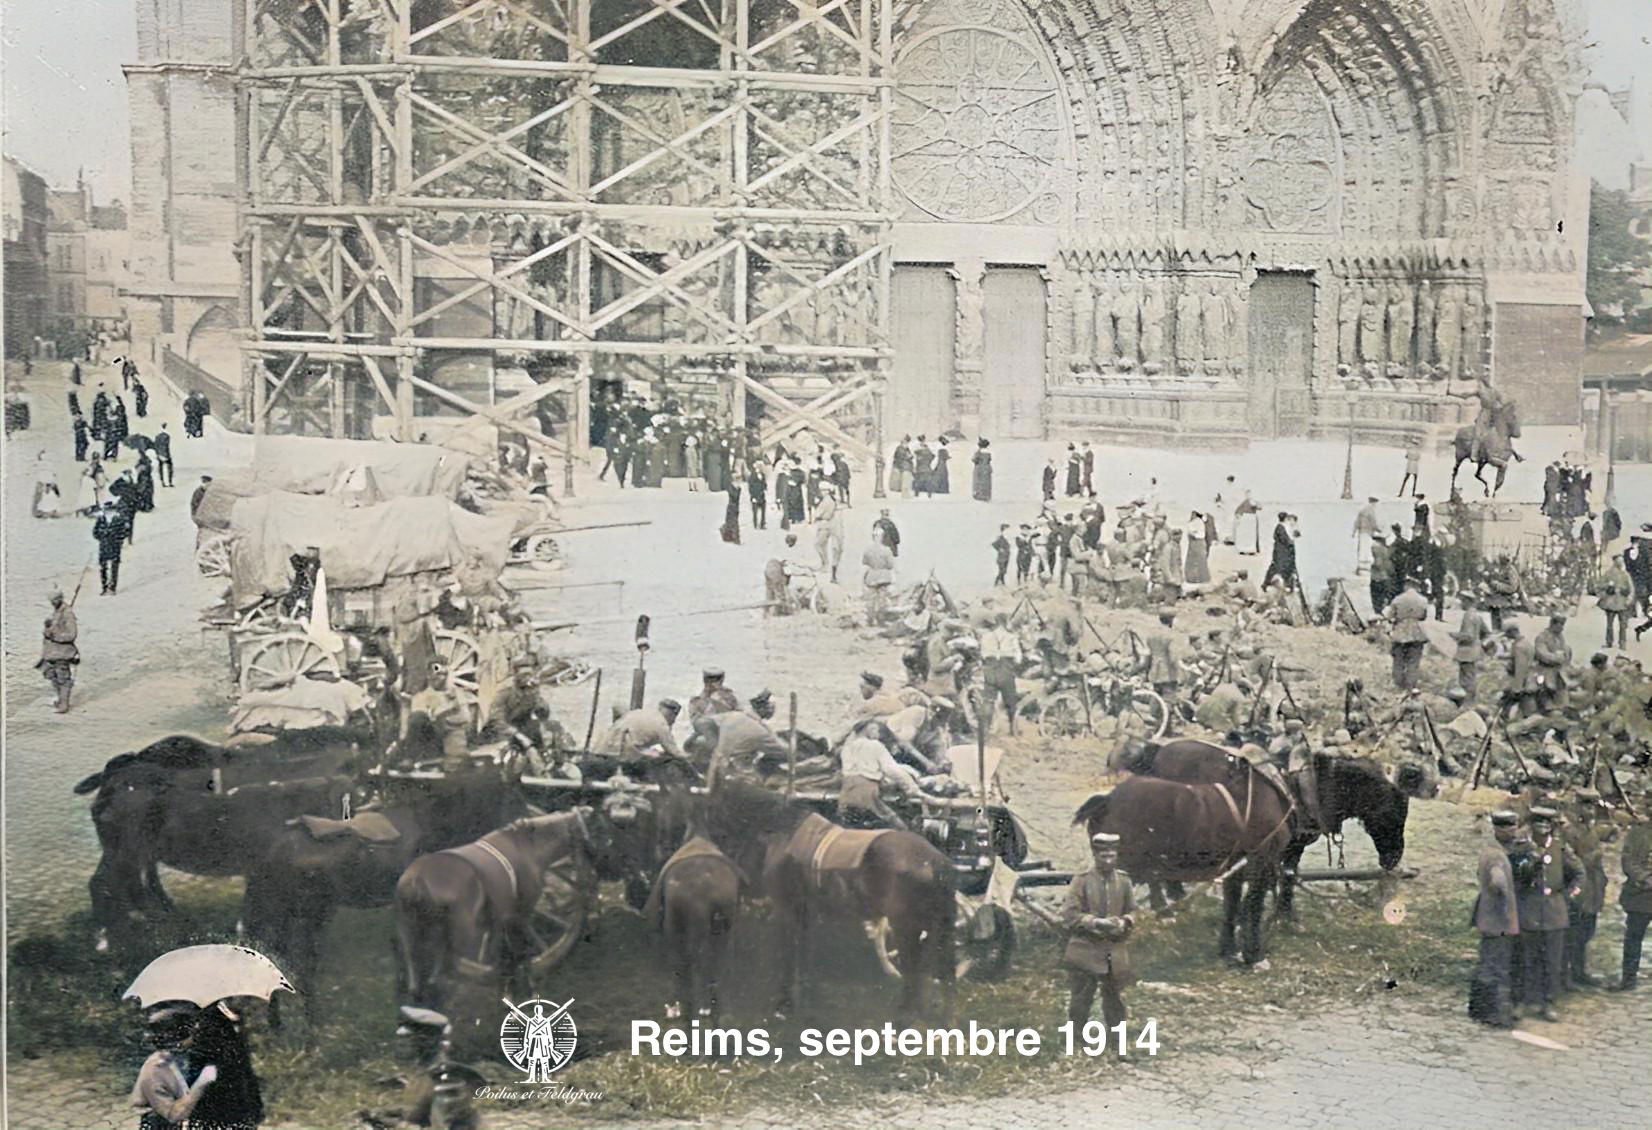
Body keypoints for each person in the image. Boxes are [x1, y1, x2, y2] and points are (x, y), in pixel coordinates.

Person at [1061, 832, 1137, 1032]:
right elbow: (1069, 914)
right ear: (1095, 856)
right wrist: (1096, 922)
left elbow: (1133, 910)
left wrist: (1124, 922)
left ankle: (1117, 1043)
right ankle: (1076, 1041)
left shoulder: (1123, 881)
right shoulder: (1082, 880)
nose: (1108, 860)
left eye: (1112, 855)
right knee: (1081, 999)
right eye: (1104, 856)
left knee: (1115, 1001)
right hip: (1085, 949)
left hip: (1114, 951)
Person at [1513, 806, 1580, 1021]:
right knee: (1525, 958)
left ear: (1553, 827)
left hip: (1554, 912)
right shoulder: (1522, 848)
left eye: (1547, 824)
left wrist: (1569, 895)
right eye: (1538, 823)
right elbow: (1516, 876)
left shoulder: (1560, 848)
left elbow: (1579, 873)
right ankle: (1521, 1001)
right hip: (1529, 909)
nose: (1542, 827)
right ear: (1531, 825)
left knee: (1552, 961)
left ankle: (1549, 1002)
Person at [1469, 810, 1522, 1028]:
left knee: (1487, 964)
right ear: (1500, 830)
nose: (1514, 832)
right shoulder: (1497, 856)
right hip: (1498, 920)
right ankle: (1493, 1014)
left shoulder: (1490, 850)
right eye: (1511, 828)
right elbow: (1497, 881)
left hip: (1488, 918)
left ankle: (1478, 1009)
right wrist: (1502, 899)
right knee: (1496, 967)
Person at [131, 1004, 221, 1130]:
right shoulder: (154, 1069)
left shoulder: (180, 1057)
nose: (196, 1037)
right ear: (178, 1038)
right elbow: (173, 1115)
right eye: (191, 1033)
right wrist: (202, 1082)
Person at [188, 999, 264, 1129]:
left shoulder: (227, 1018)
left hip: (232, 1092)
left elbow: (244, 1066)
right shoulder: (211, 1021)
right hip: (220, 1094)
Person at [838, 718, 922, 829]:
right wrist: (912, 788)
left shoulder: (846, 748)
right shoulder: (874, 745)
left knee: (849, 827)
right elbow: (892, 770)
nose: (878, 734)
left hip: (846, 793)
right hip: (866, 792)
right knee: (898, 825)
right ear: (869, 729)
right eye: (876, 730)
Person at [1565, 792, 1610, 988]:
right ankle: (1567, 975)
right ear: (1577, 807)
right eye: (1586, 807)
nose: (1590, 811)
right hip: (1578, 890)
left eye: (1592, 807)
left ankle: (1579, 971)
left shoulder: (1590, 829)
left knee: (1586, 933)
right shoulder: (1570, 831)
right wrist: (1595, 856)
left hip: (1592, 890)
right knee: (1573, 934)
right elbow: (1571, 864)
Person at [407, 659, 473, 772]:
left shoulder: (456, 693)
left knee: (458, 763)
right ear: (428, 676)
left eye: (442, 675)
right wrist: (446, 713)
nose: (438, 678)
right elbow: (419, 720)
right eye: (434, 675)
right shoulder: (421, 696)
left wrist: (442, 718)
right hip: (431, 741)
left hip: (453, 738)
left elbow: (466, 718)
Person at [1615, 810, 1652, 991]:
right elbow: (1628, 861)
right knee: (1634, 938)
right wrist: (1645, 879)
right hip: (1642, 895)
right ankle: (1629, 978)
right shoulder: (1638, 833)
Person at [979, 612, 1022, 736]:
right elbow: (1018, 658)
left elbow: (982, 654)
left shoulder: (986, 636)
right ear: (1006, 622)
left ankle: (985, 730)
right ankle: (1013, 730)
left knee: (988, 700)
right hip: (1005, 668)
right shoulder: (1011, 637)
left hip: (990, 668)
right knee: (1010, 700)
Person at [599, 699, 685, 761]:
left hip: (604, 747)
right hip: (621, 754)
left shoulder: (640, 712)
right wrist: (689, 757)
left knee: (652, 751)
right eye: (674, 718)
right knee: (658, 756)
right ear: (671, 715)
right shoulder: (661, 724)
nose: (673, 722)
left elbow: (617, 706)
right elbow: (674, 752)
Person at [37, 590, 79, 713]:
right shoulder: (56, 612)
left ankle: (64, 703)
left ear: (60, 598)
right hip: (51, 652)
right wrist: (47, 627)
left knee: (63, 678)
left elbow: (71, 635)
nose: (53, 603)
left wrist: (55, 636)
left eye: (55, 600)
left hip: (63, 652)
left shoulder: (68, 614)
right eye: (52, 601)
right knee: (50, 674)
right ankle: (61, 699)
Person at [1386, 579, 1429, 690]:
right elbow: (1423, 617)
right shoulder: (1423, 600)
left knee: (1398, 660)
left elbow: (1390, 616)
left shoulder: (1398, 599)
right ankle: (1411, 685)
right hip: (1417, 633)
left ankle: (1398, 684)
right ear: (1416, 587)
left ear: (1407, 586)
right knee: (1413, 661)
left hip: (1400, 632)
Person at [1451, 594, 1490, 702]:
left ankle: (1467, 701)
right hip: (1474, 651)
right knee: (1471, 675)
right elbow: (1486, 632)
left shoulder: (1468, 616)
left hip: (1466, 651)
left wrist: (1455, 636)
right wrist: (1478, 642)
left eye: (1463, 601)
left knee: (1466, 678)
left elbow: (1468, 636)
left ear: (1468, 602)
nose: (1461, 603)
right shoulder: (1477, 615)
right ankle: (1470, 699)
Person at [1531, 613, 1571, 715]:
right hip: (1545, 670)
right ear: (1553, 624)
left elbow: (1566, 651)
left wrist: (1563, 656)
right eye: (1560, 625)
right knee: (1545, 690)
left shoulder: (1560, 636)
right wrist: (1557, 657)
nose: (1562, 628)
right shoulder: (1542, 637)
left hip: (1558, 670)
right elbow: (1543, 655)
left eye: (1563, 625)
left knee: (1562, 689)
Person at [1598, 553, 1633, 649]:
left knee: (1623, 625)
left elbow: (1631, 589)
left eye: (1621, 561)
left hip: (1622, 602)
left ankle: (1622, 643)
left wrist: (1628, 600)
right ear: (1614, 562)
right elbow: (1600, 586)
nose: (1620, 563)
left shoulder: (1625, 575)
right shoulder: (1608, 574)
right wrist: (1608, 588)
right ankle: (1609, 642)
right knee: (1609, 624)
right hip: (1610, 602)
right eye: (1618, 561)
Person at [862, 528, 896, 624]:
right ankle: (881, 620)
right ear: (881, 537)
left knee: (871, 600)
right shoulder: (886, 550)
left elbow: (865, 562)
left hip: (872, 576)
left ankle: (870, 620)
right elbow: (890, 565)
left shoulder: (867, 550)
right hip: (883, 577)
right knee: (882, 600)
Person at [93, 502, 126, 595]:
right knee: (103, 568)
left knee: (114, 568)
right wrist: (103, 536)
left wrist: (116, 539)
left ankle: (112, 587)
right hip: (104, 547)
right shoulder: (101, 520)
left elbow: (123, 533)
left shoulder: (119, 520)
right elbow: (95, 532)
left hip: (114, 547)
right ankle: (104, 587)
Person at [1262, 511, 1298, 592]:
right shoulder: (1280, 527)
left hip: (1283, 552)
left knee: (1280, 567)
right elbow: (1285, 540)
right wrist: (1291, 541)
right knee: (1279, 567)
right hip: (1281, 552)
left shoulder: (1282, 527)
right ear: (1285, 518)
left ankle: (1282, 583)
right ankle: (1271, 583)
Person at [764, 534, 797, 616]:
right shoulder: (787, 550)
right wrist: (787, 580)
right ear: (791, 542)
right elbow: (787, 569)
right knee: (780, 592)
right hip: (775, 567)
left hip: (768, 566)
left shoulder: (778, 546)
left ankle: (766, 611)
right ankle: (779, 612)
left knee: (770, 591)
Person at [1353, 496, 1380, 574]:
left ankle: (1362, 559)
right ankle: (1365, 561)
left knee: (1362, 545)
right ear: (1373, 503)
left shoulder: (1363, 510)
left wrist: (1354, 531)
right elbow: (1373, 521)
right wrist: (1377, 529)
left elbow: (1357, 521)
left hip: (1361, 530)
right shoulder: (1371, 511)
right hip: (1368, 531)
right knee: (1367, 545)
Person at [746, 459, 767, 529]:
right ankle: (755, 524)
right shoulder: (752, 475)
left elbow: (764, 484)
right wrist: (753, 496)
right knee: (755, 511)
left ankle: (762, 524)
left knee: (763, 510)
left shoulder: (763, 475)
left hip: (761, 495)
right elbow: (750, 487)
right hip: (755, 495)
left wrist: (764, 488)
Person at [720, 477, 742, 545]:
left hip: (734, 507)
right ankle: (734, 538)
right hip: (732, 507)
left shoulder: (735, 488)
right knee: (733, 523)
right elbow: (734, 497)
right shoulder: (732, 488)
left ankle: (733, 537)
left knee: (733, 523)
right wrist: (738, 490)